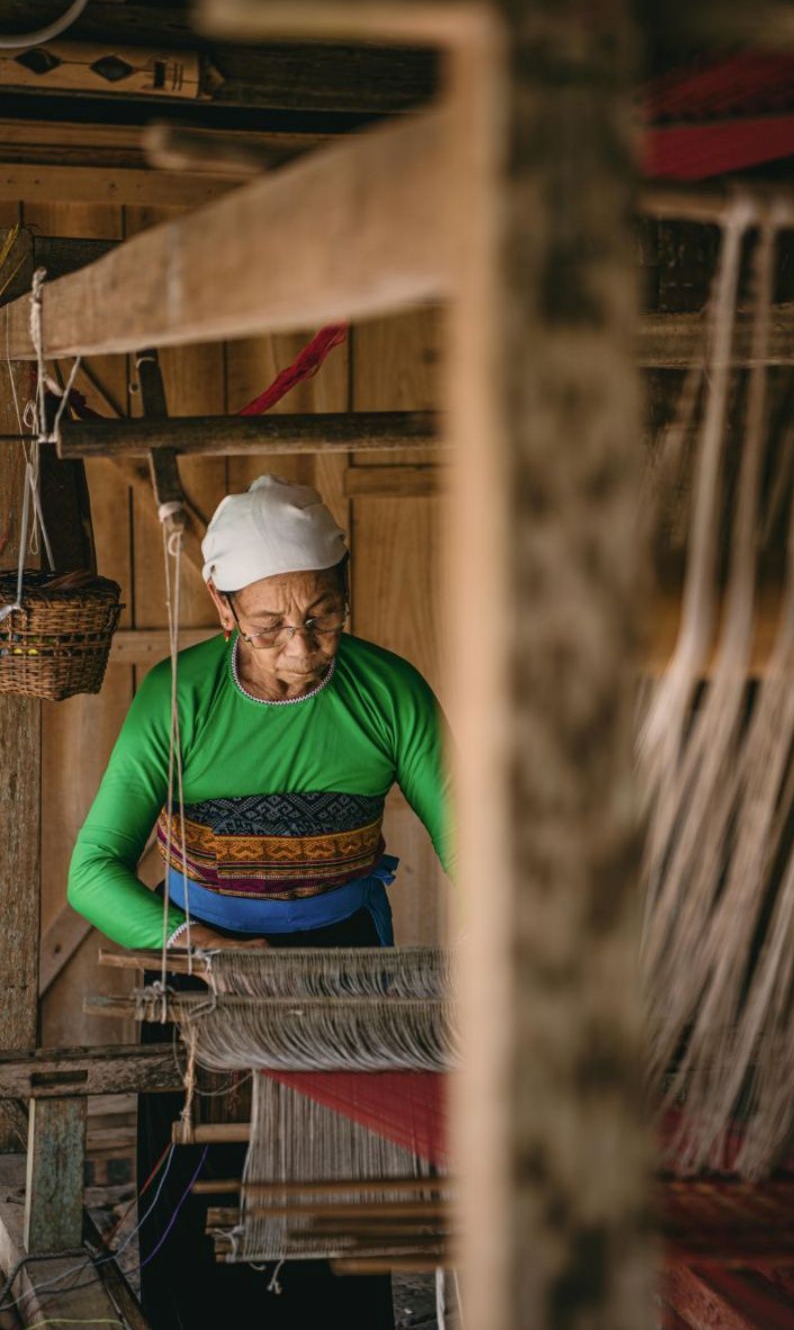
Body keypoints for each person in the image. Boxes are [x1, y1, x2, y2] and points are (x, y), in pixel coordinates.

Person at [68, 475, 453, 1329]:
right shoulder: (175, 703)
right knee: (200, 1199)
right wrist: (210, 949)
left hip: (341, 968)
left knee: (339, 1211)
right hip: (202, 980)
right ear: (221, 604)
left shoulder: (391, 695)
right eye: (271, 625)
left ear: (345, 593)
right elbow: (91, 872)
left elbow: (478, 853)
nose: (302, 649)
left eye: (322, 617)